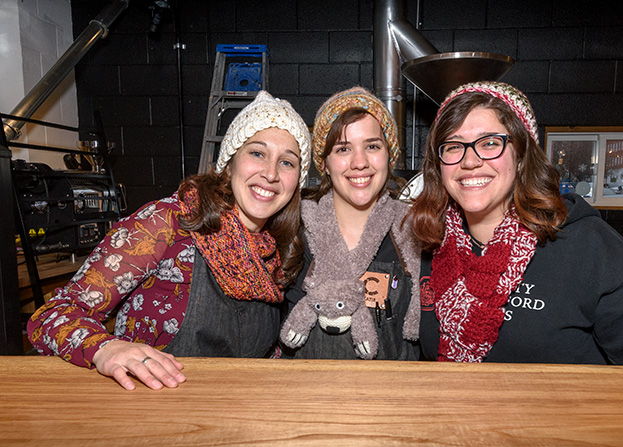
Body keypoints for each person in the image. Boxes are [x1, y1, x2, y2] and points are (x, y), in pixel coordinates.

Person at [27, 91, 311, 389]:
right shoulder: (168, 222)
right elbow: (54, 314)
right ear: (229, 163)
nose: (270, 173)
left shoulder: (277, 250)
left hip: (239, 413)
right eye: (257, 153)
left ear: (297, 182)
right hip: (154, 412)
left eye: (287, 163)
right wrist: (106, 348)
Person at [410, 81, 623, 365]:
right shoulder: (432, 242)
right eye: (454, 146)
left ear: (521, 156)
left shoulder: (586, 243)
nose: (470, 160)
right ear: (439, 164)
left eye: (490, 143)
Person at [278, 87, 421, 360]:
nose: (359, 162)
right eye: (343, 149)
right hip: (306, 398)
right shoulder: (295, 230)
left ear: (390, 156)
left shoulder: (414, 232)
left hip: (393, 398)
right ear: (325, 164)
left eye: (372, 146)